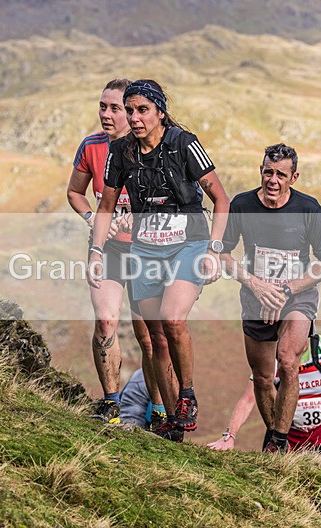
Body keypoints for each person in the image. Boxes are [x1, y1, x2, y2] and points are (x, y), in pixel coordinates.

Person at [89, 79, 230, 442]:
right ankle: (172, 423)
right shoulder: (120, 152)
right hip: (146, 249)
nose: (135, 118)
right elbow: (105, 207)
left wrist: (214, 251)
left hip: (189, 244)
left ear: (160, 112)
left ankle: (187, 395)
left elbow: (221, 199)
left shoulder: (184, 143)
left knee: (172, 319)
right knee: (155, 336)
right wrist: (95, 251)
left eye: (143, 110)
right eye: (130, 110)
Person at [219, 144, 321, 453]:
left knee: (287, 360)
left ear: (293, 177)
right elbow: (223, 254)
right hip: (254, 296)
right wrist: (255, 284)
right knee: (262, 378)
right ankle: (278, 439)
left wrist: (286, 289)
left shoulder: (308, 208)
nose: (273, 180)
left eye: (281, 175)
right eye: (268, 172)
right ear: (261, 172)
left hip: (296, 296)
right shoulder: (243, 205)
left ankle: (279, 441)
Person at [66, 78, 165, 427]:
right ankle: (111, 404)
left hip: (145, 251)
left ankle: (159, 409)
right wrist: (95, 220)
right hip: (106, 249)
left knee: (149, 336)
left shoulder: (151, 149)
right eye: (102, 106)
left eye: (116, 108)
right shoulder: (91, 146)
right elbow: (75, 192)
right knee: (105, 321)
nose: (107, 114)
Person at [207, 332, 321, 471]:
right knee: (272, 472)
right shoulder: (273, 358)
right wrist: (229, 437)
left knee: (316, 466)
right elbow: (248, 399)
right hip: (287, 430)